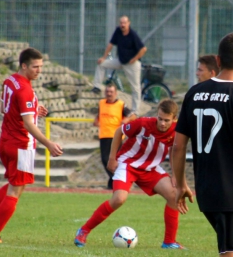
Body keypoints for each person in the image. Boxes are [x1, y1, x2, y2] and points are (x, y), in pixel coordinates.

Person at [172, 32, 233, 256]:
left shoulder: (194, 93)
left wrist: (180, 184)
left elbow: (177, 147)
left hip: (208, 190)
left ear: (217, 61)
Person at [74, 98, 186, 250]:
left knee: (174, 196)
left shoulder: (177, 131)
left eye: (167, 120)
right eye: (160, 118)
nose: (162, 123)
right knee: (119, 199)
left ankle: (169, 242)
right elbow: (119, 131)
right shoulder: (143, 124)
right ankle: (84, 230)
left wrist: (175, 175)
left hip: (150, 168)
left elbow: (175, 151)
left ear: (174, 119)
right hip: (128, 164)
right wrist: (112, 158)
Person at [0, 48, 63, 243]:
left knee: (12, 183)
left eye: (41, 66)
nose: (39, 70)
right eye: (35, 67)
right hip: (21, 146)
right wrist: (48, 143)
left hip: (5, 142)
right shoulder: (25, 89)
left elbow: (4, 107)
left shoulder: (10, 81)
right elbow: (28, 125)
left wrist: (32, 110)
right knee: (16, 189)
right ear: (24, 65)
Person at [91, 15, 147, 116]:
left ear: (128, 23)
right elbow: (110, 44)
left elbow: (143, 49)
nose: (122, 25)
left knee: (135, 88)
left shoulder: (132, 34)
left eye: (124, 23)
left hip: (132, 64)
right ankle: (97, 86)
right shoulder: (118, 31)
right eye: (121, 23)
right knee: (102, 64)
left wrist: (134, 59)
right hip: (121, 61)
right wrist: (103, 57)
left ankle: (135, 111)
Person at [93, 83, 136, 189]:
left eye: (111, 92)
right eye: (107, 91)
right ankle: (115, 180)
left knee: (115, 160)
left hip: (116, 136)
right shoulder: (101, 103)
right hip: (104, 135)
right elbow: (99, 115)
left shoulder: (120, 104)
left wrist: (126, 120)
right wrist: (96, 121)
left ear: (116, 93)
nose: (109, 94)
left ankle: (116, 181)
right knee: (104, 159)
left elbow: (133, 116)